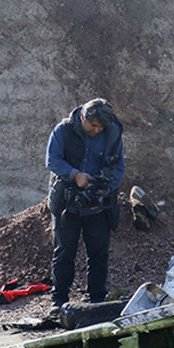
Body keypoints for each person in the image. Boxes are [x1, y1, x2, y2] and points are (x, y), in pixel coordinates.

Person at [45, 98, 125, 315]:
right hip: (67, 205)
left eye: (101, 127)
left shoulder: (112, 133)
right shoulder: (63, 131)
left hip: (98, 206)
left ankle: (97, 299)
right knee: (64, 253)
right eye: (93, 126)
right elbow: (52, 159)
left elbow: (119, 167)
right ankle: (59, 301)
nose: (97, 130)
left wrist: (105, 188)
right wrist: (75, 175)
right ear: (83, 118)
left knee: (98, 254)